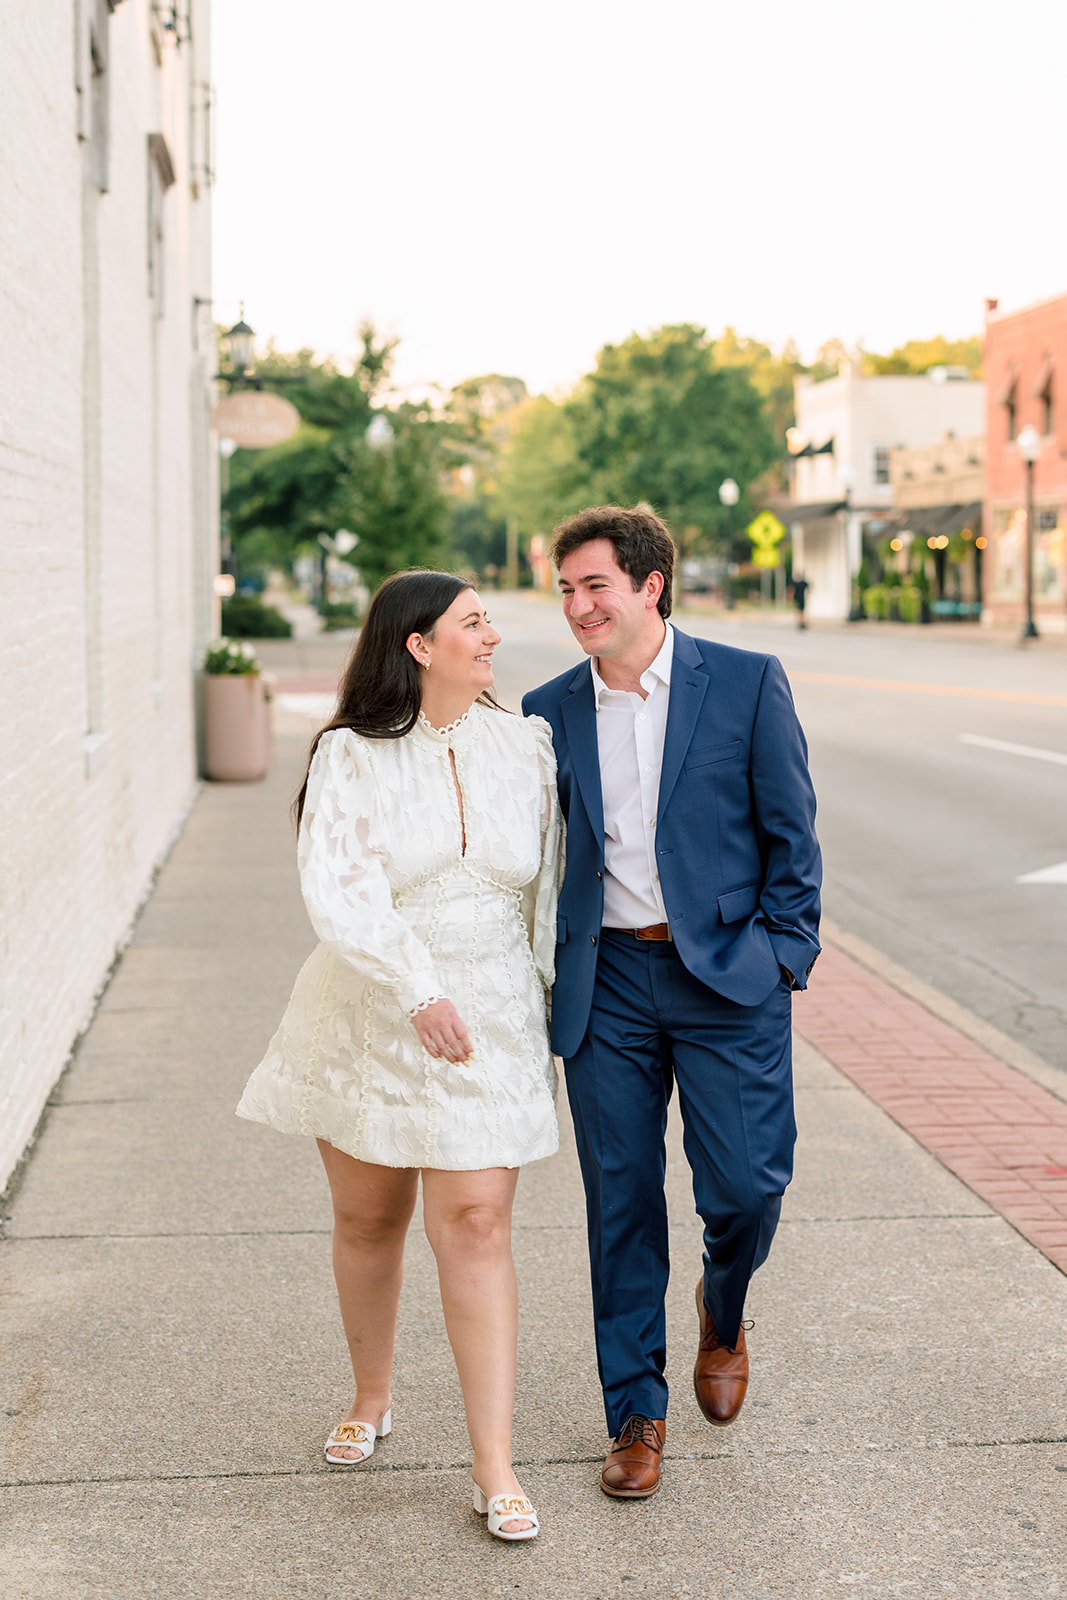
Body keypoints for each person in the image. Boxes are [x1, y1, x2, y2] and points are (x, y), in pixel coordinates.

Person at [238, 571, 561, 1542]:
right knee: (369, 1216)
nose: (491, 635)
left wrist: (538, 997)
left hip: (492, 1014)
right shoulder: (350, 753)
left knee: (475, 1223)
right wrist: (417, 990)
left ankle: (492, 1462)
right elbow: (338, 887)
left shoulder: (527, 744)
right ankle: (372, 1393)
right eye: (472, 622)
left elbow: (550, 885)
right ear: (417, 643)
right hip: (377, 1004)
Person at [522, 506, 820, 1500]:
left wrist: (782, 953)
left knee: (745, 1189)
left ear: (649, 585)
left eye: (593, 585)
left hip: (724, 974)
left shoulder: (740, 683)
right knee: (620, 1203)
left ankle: (722, 1306)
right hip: (605, 981)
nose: (576, 606)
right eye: (565, 588)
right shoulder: (546, 708)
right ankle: (635, 1414)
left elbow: (791, 835)